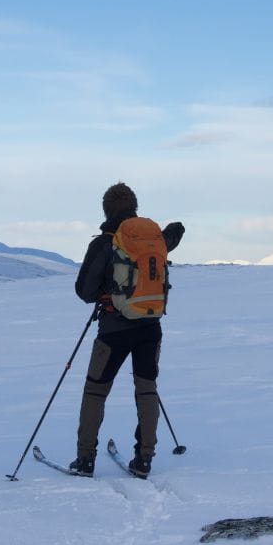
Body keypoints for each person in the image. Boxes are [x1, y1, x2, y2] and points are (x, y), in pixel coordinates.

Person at [70, 182, 184, 478]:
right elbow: (174, 234)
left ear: (106, 210)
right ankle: (144, 459)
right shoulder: (154, 240)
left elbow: (84, 291)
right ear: (134, 207)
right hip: (150, 327)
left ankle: (85, 459)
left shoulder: (105, 243)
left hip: (114, 330)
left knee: (95, 392)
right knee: (146, 390)